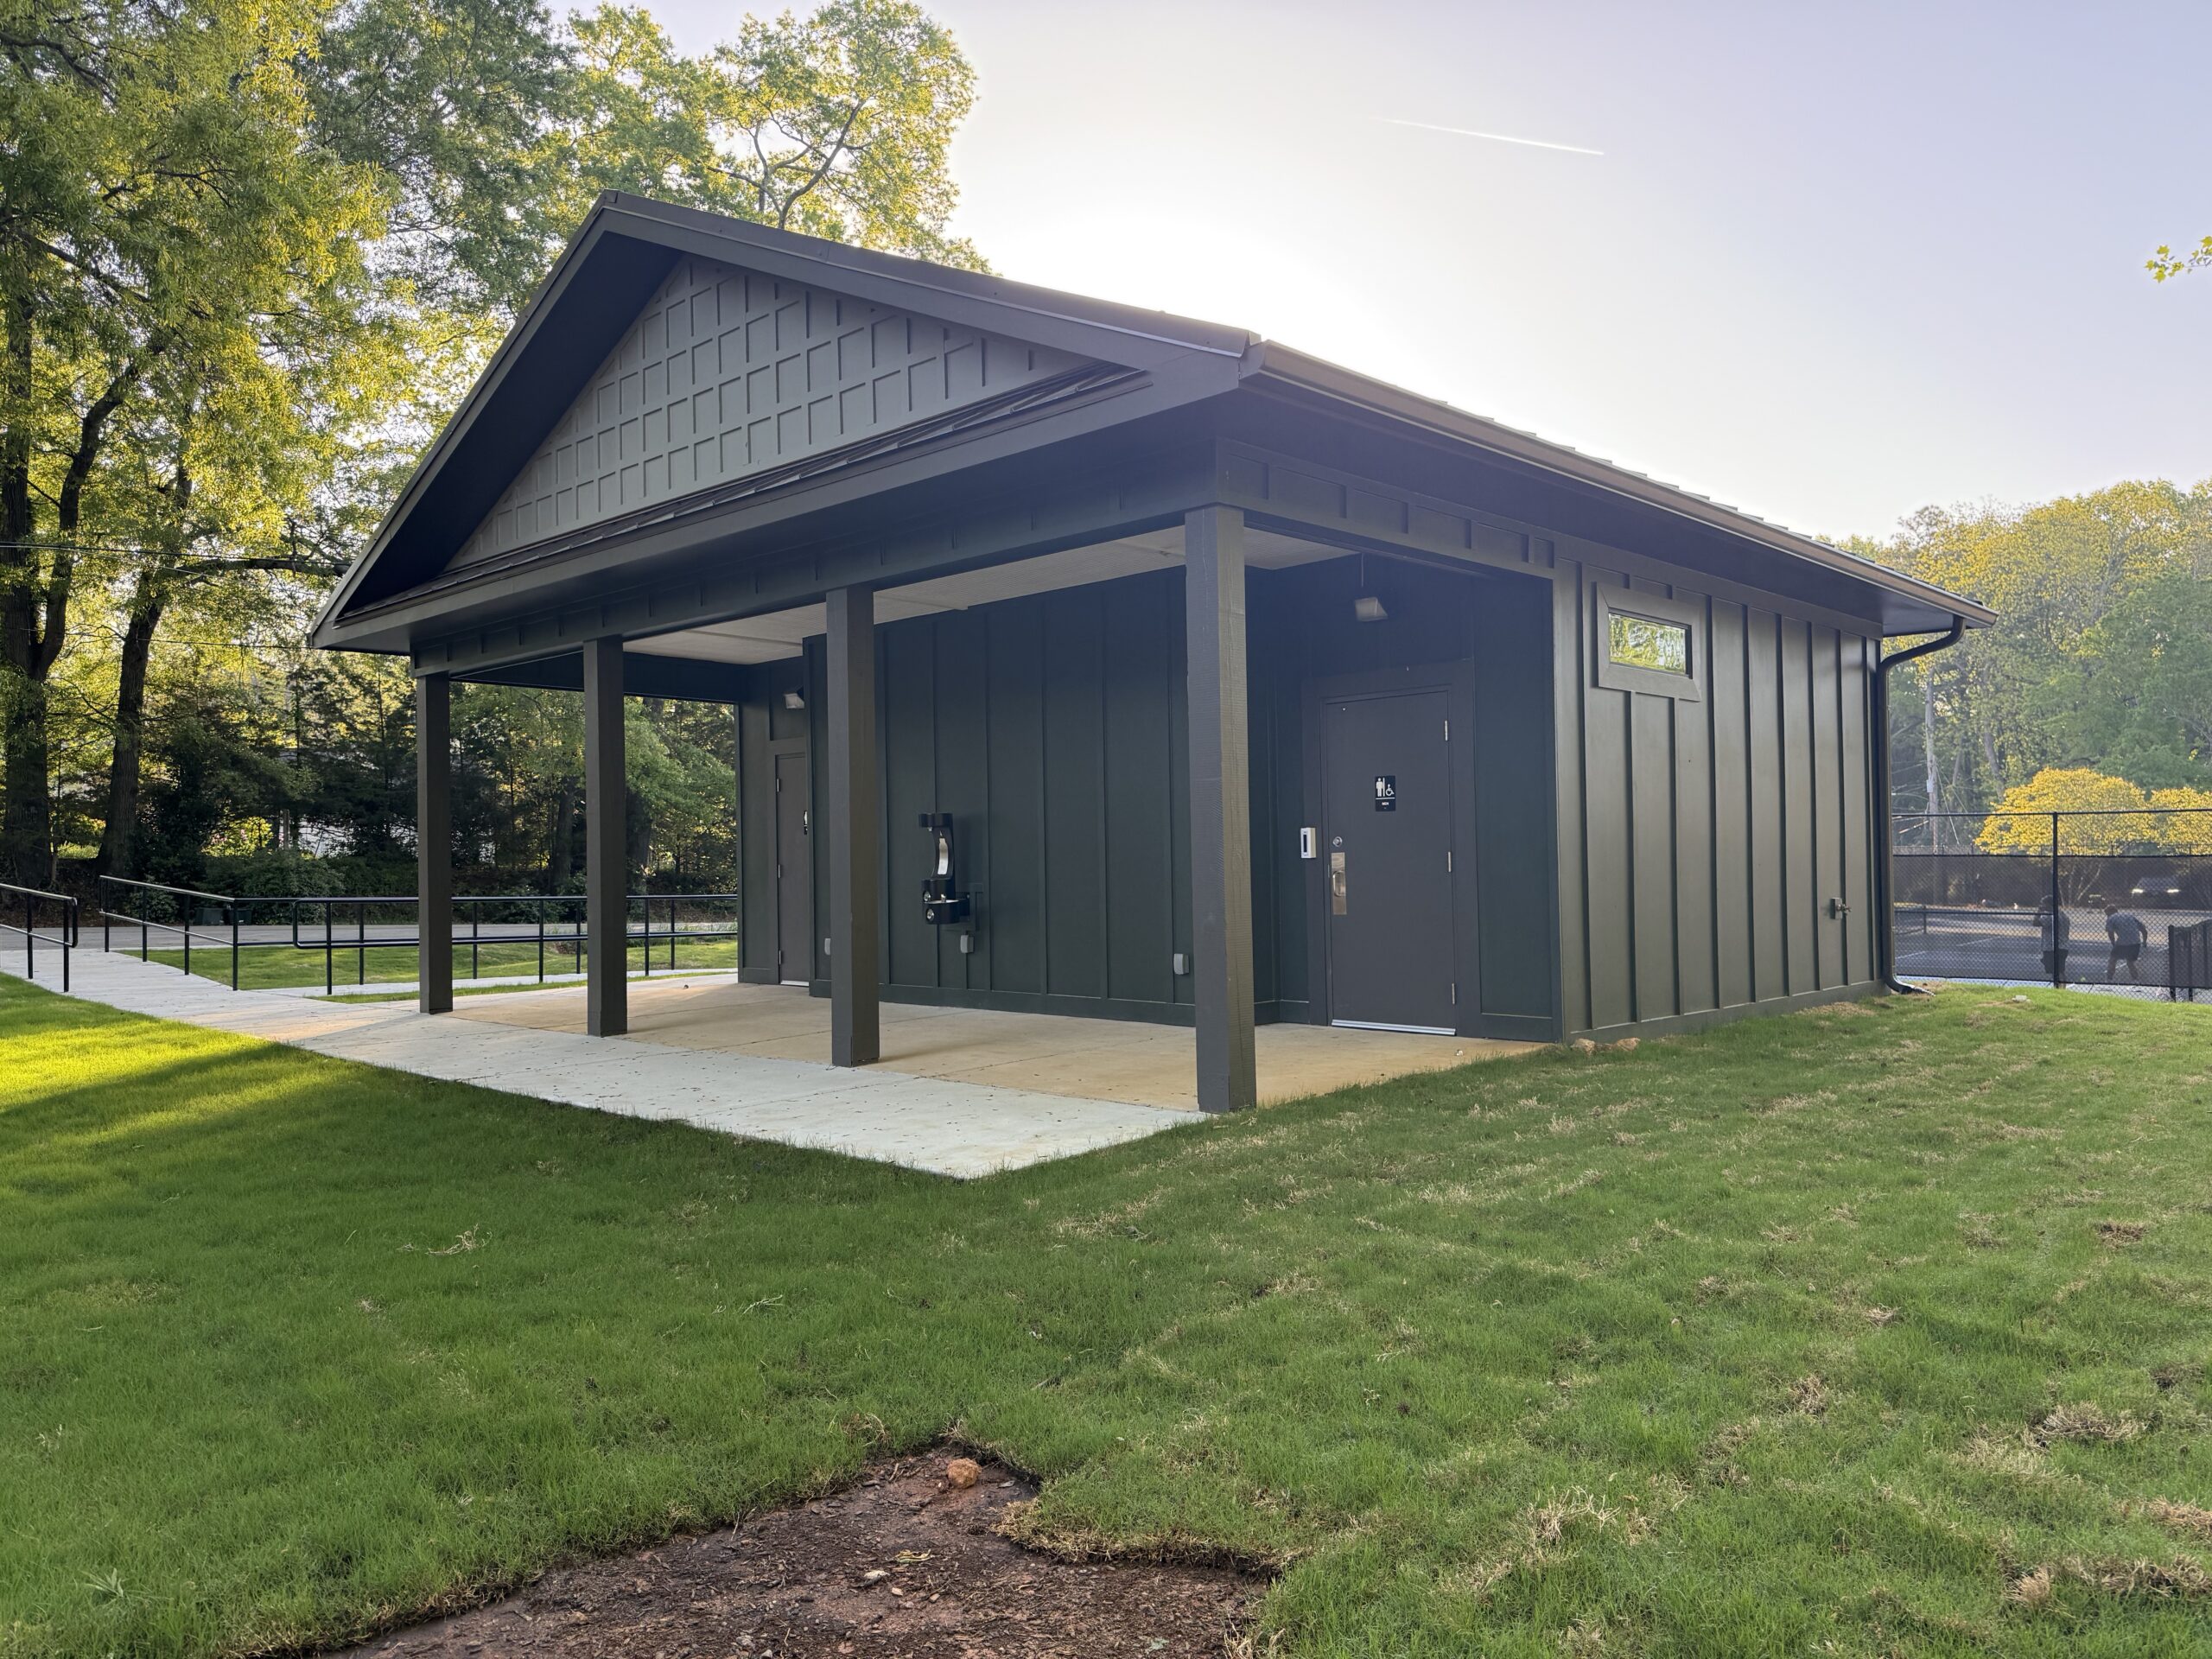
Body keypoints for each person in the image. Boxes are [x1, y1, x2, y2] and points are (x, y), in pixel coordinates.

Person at [2106, 904, 2148, 982]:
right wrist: (2144, 942)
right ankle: (2135, 980)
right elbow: (2144, 930)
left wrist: (2113, 943)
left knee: (2113, 959)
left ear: (2109, 912)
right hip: (2135, 942)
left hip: (2123, 942)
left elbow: (2110, 933)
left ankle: (2109, 979)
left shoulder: (2111, 918)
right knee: (2130, 962)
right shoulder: (2129, 916)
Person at [2037, 898, 2071, 982]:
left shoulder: (2050, 916)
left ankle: (2059, 985)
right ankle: (2059, 984)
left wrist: (2039, 912)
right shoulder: (2063, 914)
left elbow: (2036, 922)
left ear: (2049, 905)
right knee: (2059, 970)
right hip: (2063, 945)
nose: (2042, 906)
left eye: (2043, 904)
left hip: (2052, 947)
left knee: (2057, 971)